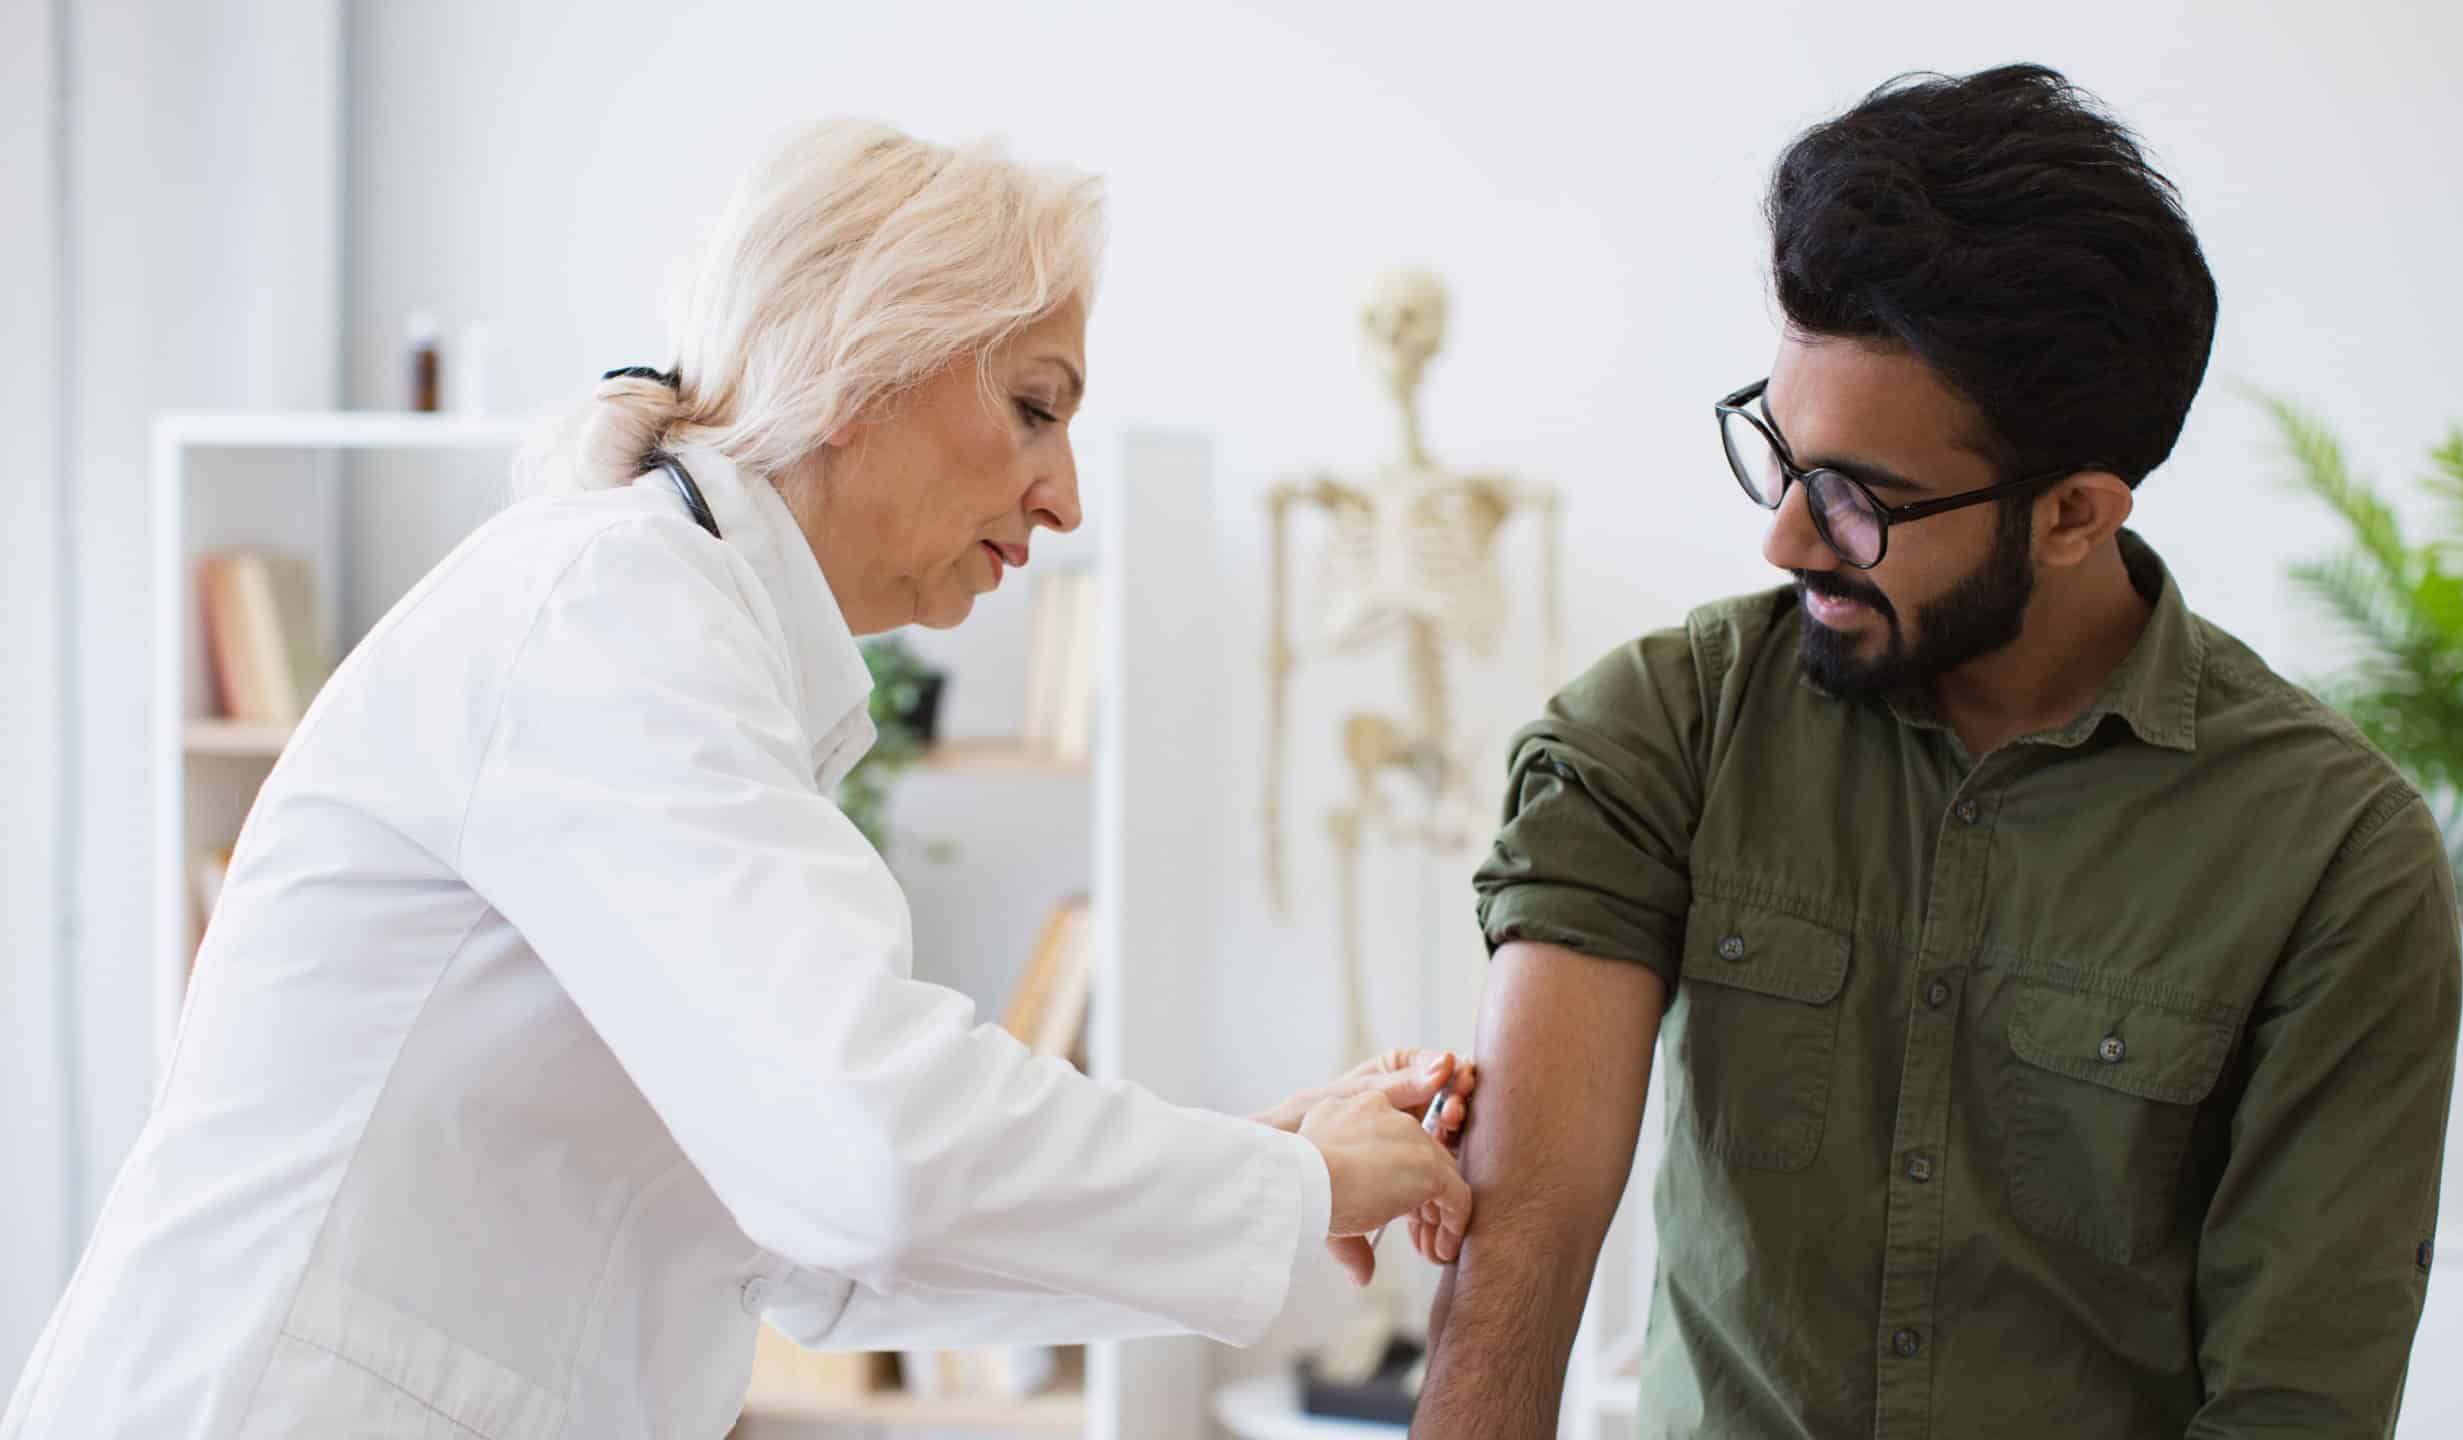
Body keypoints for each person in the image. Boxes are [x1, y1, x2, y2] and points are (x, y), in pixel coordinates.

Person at [3, 119, 1473, 1440]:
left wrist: (1250, 1171)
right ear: (864, 369)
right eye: (1035, 405)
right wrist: (1291, 1187)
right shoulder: (607, 613)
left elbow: (815, 1246)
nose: (1066, 495)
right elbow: (871, 1154)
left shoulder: (680, 632)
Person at [1414, 65, 2461, 1438]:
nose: (1784, 537)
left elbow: (2297, 1401)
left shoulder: (2336, 857)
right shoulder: (1664, 728)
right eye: (1779, 454)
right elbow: (1524, 1246)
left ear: (2076, 513)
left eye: (1860, 500)